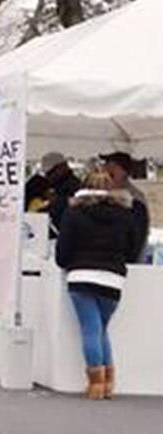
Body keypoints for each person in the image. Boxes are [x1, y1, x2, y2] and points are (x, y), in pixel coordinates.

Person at [55, 166, 140, 398]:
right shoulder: (126, 214)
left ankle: (95, 385)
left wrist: (67, 263)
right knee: (101, 329)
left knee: (90, 330)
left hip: (81, 276)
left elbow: (62, 251)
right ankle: (108, 383)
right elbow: (133, 250)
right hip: (113, 279)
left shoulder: (74, 213)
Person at [98, 149, 150, 263]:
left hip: (127, 266)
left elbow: (136, 240)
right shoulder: (103, 195)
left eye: (112, 174)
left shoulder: (136, 200)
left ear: (125, 172)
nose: (106, 178)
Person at [24, 151, 79, 229]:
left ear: (62, 167)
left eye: (50, 172)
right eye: (46, 173)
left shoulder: (74, 186)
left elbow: (65, 211)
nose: (47, 176)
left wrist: (54, 201)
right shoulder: (45, 183)